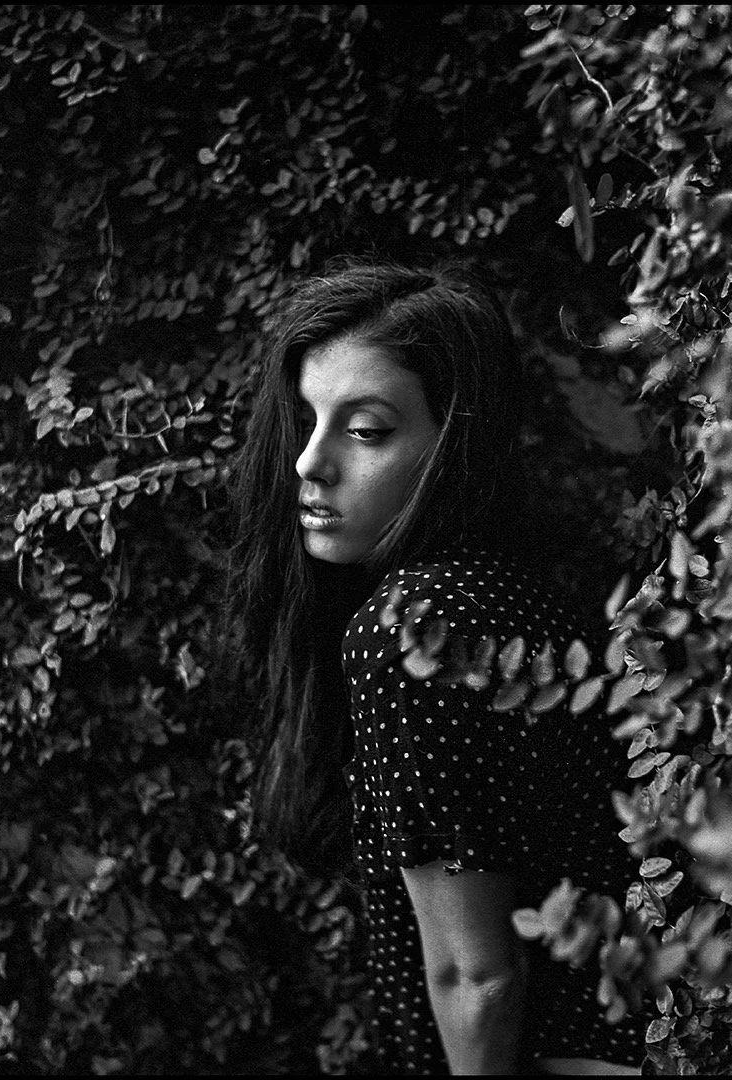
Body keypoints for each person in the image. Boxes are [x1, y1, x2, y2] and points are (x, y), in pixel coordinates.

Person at [224, 258, 647, 1075]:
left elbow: (477, 976)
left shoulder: (413, 628)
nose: (309, 463)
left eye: (366, 429)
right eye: (308, 420)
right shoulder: (517, 599)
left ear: (452, 443)